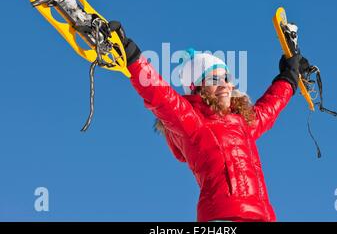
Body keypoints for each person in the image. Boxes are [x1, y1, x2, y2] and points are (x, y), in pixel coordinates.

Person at [109, 21, 308, 222]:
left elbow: (270, 107)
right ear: (199, 89)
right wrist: (133, 58)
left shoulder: (242, 123)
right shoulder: (192, 121)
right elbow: (159, 94)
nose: (224, 85)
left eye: (227, 78)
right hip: (223, 216)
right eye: (214, 80)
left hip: (262, 217)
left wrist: (288, 77)